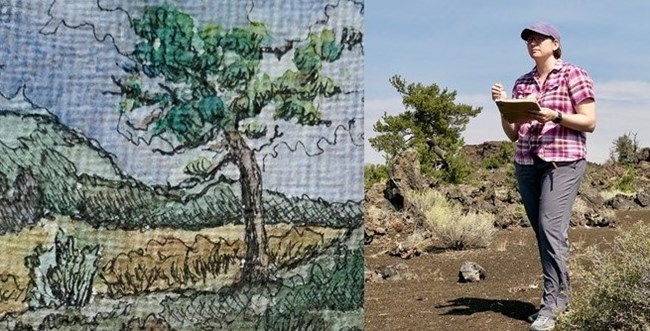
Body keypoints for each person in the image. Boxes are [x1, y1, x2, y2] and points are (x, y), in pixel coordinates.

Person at [490, 22, 596, 331]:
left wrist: (556, 115)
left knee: (551, 228)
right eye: (529, 39)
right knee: (545, 233)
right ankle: (561, 299)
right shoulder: (522, 83)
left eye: (539, 38)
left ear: (555, 43)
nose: (533, 43)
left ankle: (552, 304)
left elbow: (589, 122)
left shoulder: (574, 74)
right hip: (527, 161)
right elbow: (513, 134)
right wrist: (502, 108)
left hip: (563, 161)